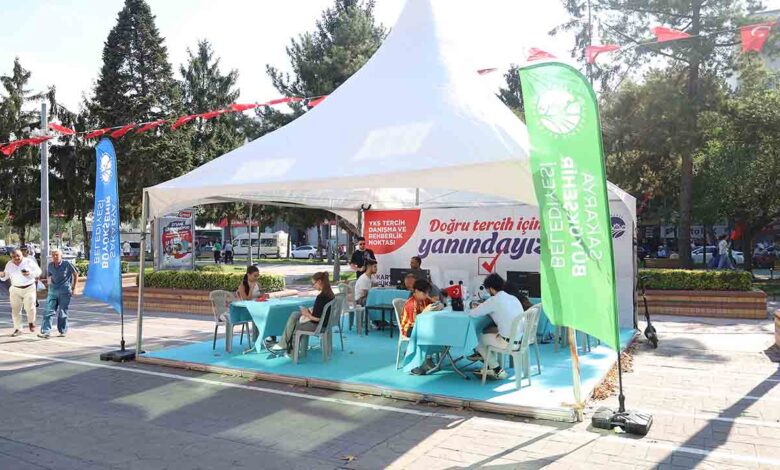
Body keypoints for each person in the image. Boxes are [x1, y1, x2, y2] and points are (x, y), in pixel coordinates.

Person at [466, 273, 524, 380]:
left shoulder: (493, 300)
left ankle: (496, 369)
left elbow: (473, 313)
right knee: (489, 333)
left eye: (487, 289)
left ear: (491, 289)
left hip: (507, 342)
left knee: (476, 339)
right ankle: (489, 365)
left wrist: (476, 307)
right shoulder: (513, 298)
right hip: (521, 340)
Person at [271, 272, 335, 355]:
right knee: (295, 314)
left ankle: (291, 353)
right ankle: (283, 343)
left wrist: (307, 314)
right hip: (326, 323)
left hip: (318, 325)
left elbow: (317, 318)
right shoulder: (330, 294)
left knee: (294, 326)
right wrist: (308, 311)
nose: (313, 286)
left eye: (313, 284)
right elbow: (321, 311)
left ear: (319, 281)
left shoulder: (321, 297)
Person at [402, 279, 443, 375]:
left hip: (421, 326)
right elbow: (415, 323)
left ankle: (427, 356)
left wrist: (438, 305)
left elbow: (435, 304)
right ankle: (413, 362)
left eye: (428, 293)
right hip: (409, 328)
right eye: (424, 293)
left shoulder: (424, 299)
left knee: (435, 331)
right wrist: (425, 312)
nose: (426, 295)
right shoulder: (411, 304)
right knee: (426, 334)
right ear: (416, 291)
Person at [0, 249, 42, 336]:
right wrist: (2, 275)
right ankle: (18, 329)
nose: (16, 258)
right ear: (11, 257)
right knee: (15, 310)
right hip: (15, 289)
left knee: (30, 308)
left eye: (18, 256)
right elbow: (5, 277)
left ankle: (31, 322)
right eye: (14, 257)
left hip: (29, 288)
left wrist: (29, 273)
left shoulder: (28, 261)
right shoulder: (9, 264)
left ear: (21, 255)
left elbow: (38, 272)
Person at [38, 249, 78, 339]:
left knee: (62, 312)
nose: (55, 257)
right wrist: (47, 286)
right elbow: (49, 276)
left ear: (61, 256)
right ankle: (46, 332)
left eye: (57, 255)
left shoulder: (67, 264)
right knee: (48, 311)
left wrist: (74, 288)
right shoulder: (50, 265)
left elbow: (75, 274)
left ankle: (62, 331)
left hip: (65, 292)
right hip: (52, 291)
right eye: (53, 255)